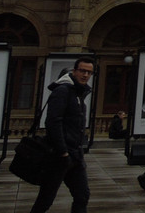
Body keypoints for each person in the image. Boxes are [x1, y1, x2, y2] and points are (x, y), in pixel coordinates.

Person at [30, 56, 94, 213]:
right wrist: (63, 151)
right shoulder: (63, 91)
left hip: (76, 155)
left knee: (82, 195)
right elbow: (53, 122)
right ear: (74, 71)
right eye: (82, 71)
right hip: (60, 156)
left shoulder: (79, 93)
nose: (85, 75)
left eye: (89, 72)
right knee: (46, 199)